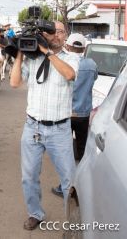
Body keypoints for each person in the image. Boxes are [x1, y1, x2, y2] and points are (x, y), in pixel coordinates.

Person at [10, 21, 79, 231]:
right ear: (45, 35)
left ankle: (74, 219)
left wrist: (47, 52)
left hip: (60, 130)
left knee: (69, 180)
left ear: (66, 36)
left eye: (60, 32)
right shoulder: (34, 59)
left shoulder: (72, 58)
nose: (56, 35)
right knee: (29, 177)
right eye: (52, 32)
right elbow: (14, 82)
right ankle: (35, 213)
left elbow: (69, 75)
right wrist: (20, 52)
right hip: (33, 128)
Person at [51, 33, 98, 197]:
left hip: (66, 113)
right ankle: (80, 185)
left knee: (65, 153)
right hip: (84, 114)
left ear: (68, 46)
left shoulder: (64, 63)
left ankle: (66, 186)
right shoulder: (91, 64)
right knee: (82, 151)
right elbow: (94, 79)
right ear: (84, 48)